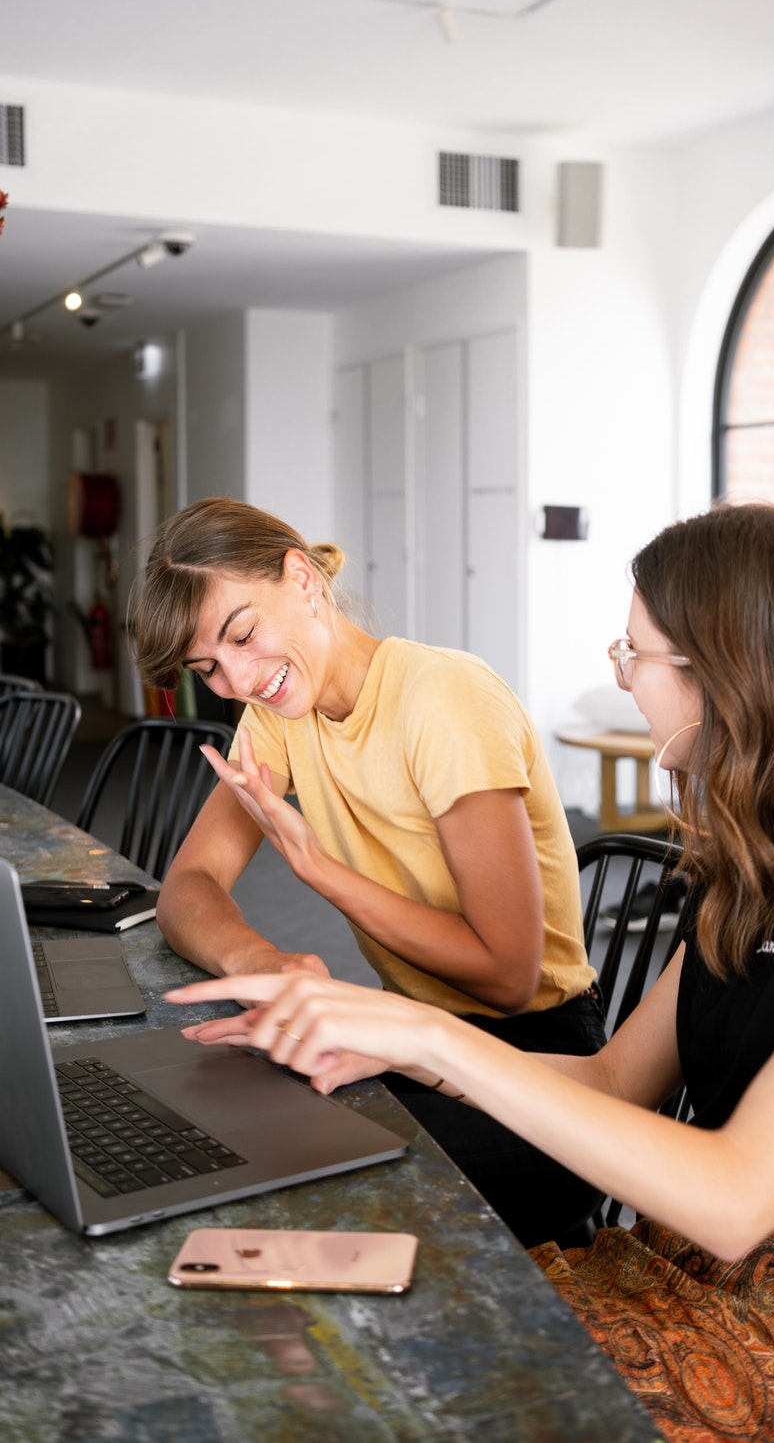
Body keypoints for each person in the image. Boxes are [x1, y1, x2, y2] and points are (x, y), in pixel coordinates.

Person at [167, 501, 774, 1442]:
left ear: (725, 670)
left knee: (352, 1378)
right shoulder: (761, 859)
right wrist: (388, 1051)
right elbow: (613, 1081)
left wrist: (424, 1031)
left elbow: (736, 1200)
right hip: (670, 1274)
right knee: (296, 1320)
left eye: (633, 654)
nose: (625, 678)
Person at [131, 496, 605, 1247]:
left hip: (538, 1073)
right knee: (224, 1114)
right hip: (411, 1041)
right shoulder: (282, 715)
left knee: (294, 1174)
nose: (240, 681)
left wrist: (319, 870)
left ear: (302, 578)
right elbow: (188, 890)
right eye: (208, 668)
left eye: (244, 635)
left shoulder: (443, 698)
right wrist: (268, 961)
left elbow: (510, 976)